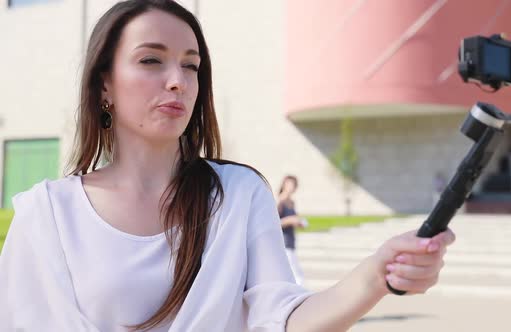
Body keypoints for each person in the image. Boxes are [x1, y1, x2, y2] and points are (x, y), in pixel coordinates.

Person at [0, 1, 455, 331]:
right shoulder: (47, 215)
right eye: (151, 60)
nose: (178, 81)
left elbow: (280, 318)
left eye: (191, 66)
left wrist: (376, 275)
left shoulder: (237, 193)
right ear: (104, 84)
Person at [277, 175, 306, 285]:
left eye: (294, 184)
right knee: (298, 276)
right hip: (283, 244)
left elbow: (294, 220)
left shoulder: (292, 202)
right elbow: (273, 223)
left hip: (291, 242)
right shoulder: (280, 201)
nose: (292, 187)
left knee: (293, 275)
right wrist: (290, 220)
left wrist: (298, 223)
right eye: (290, 184)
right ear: (284, 184)